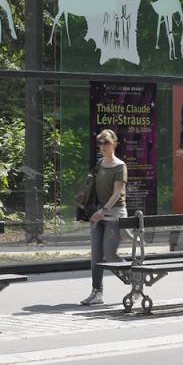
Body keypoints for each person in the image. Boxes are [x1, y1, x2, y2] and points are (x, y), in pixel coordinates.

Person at [81, 127, 127, 307]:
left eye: (106, 142)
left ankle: (133, 274)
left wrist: (104, 211)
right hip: (98, 213)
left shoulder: (120, 166)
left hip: (114, 212)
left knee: (109, 254)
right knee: (96, 255)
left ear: (114, 143)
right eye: (100, 143)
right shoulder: (99, 164)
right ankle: (96, 292)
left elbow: (117, 193)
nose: (103, 146)